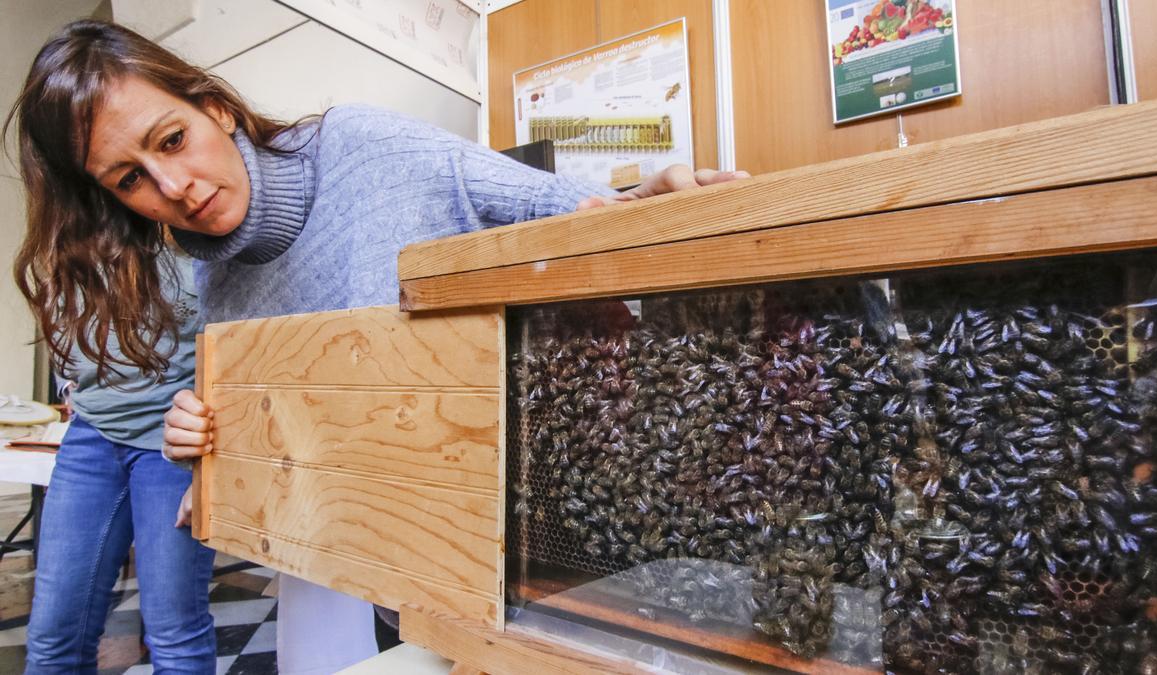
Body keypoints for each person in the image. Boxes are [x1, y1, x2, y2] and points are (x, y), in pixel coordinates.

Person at [10, 19, 747, 673]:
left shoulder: (365, 146)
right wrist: (208, 443)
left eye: (172, 139)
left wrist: (655, 212)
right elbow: (296, 455)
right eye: (131, 178)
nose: (174, 185)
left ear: (217, 108)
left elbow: (575, 219)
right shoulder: (218, 291)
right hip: (418, 592)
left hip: (570, 567)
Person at [13, 243, 215, 673]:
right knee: (53, 636)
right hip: (90, 434)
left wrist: (212, 467)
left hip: (177, 444)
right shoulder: (72, 228)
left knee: (175, 635)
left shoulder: (189, 228)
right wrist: (68, 387)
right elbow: (65, 328)